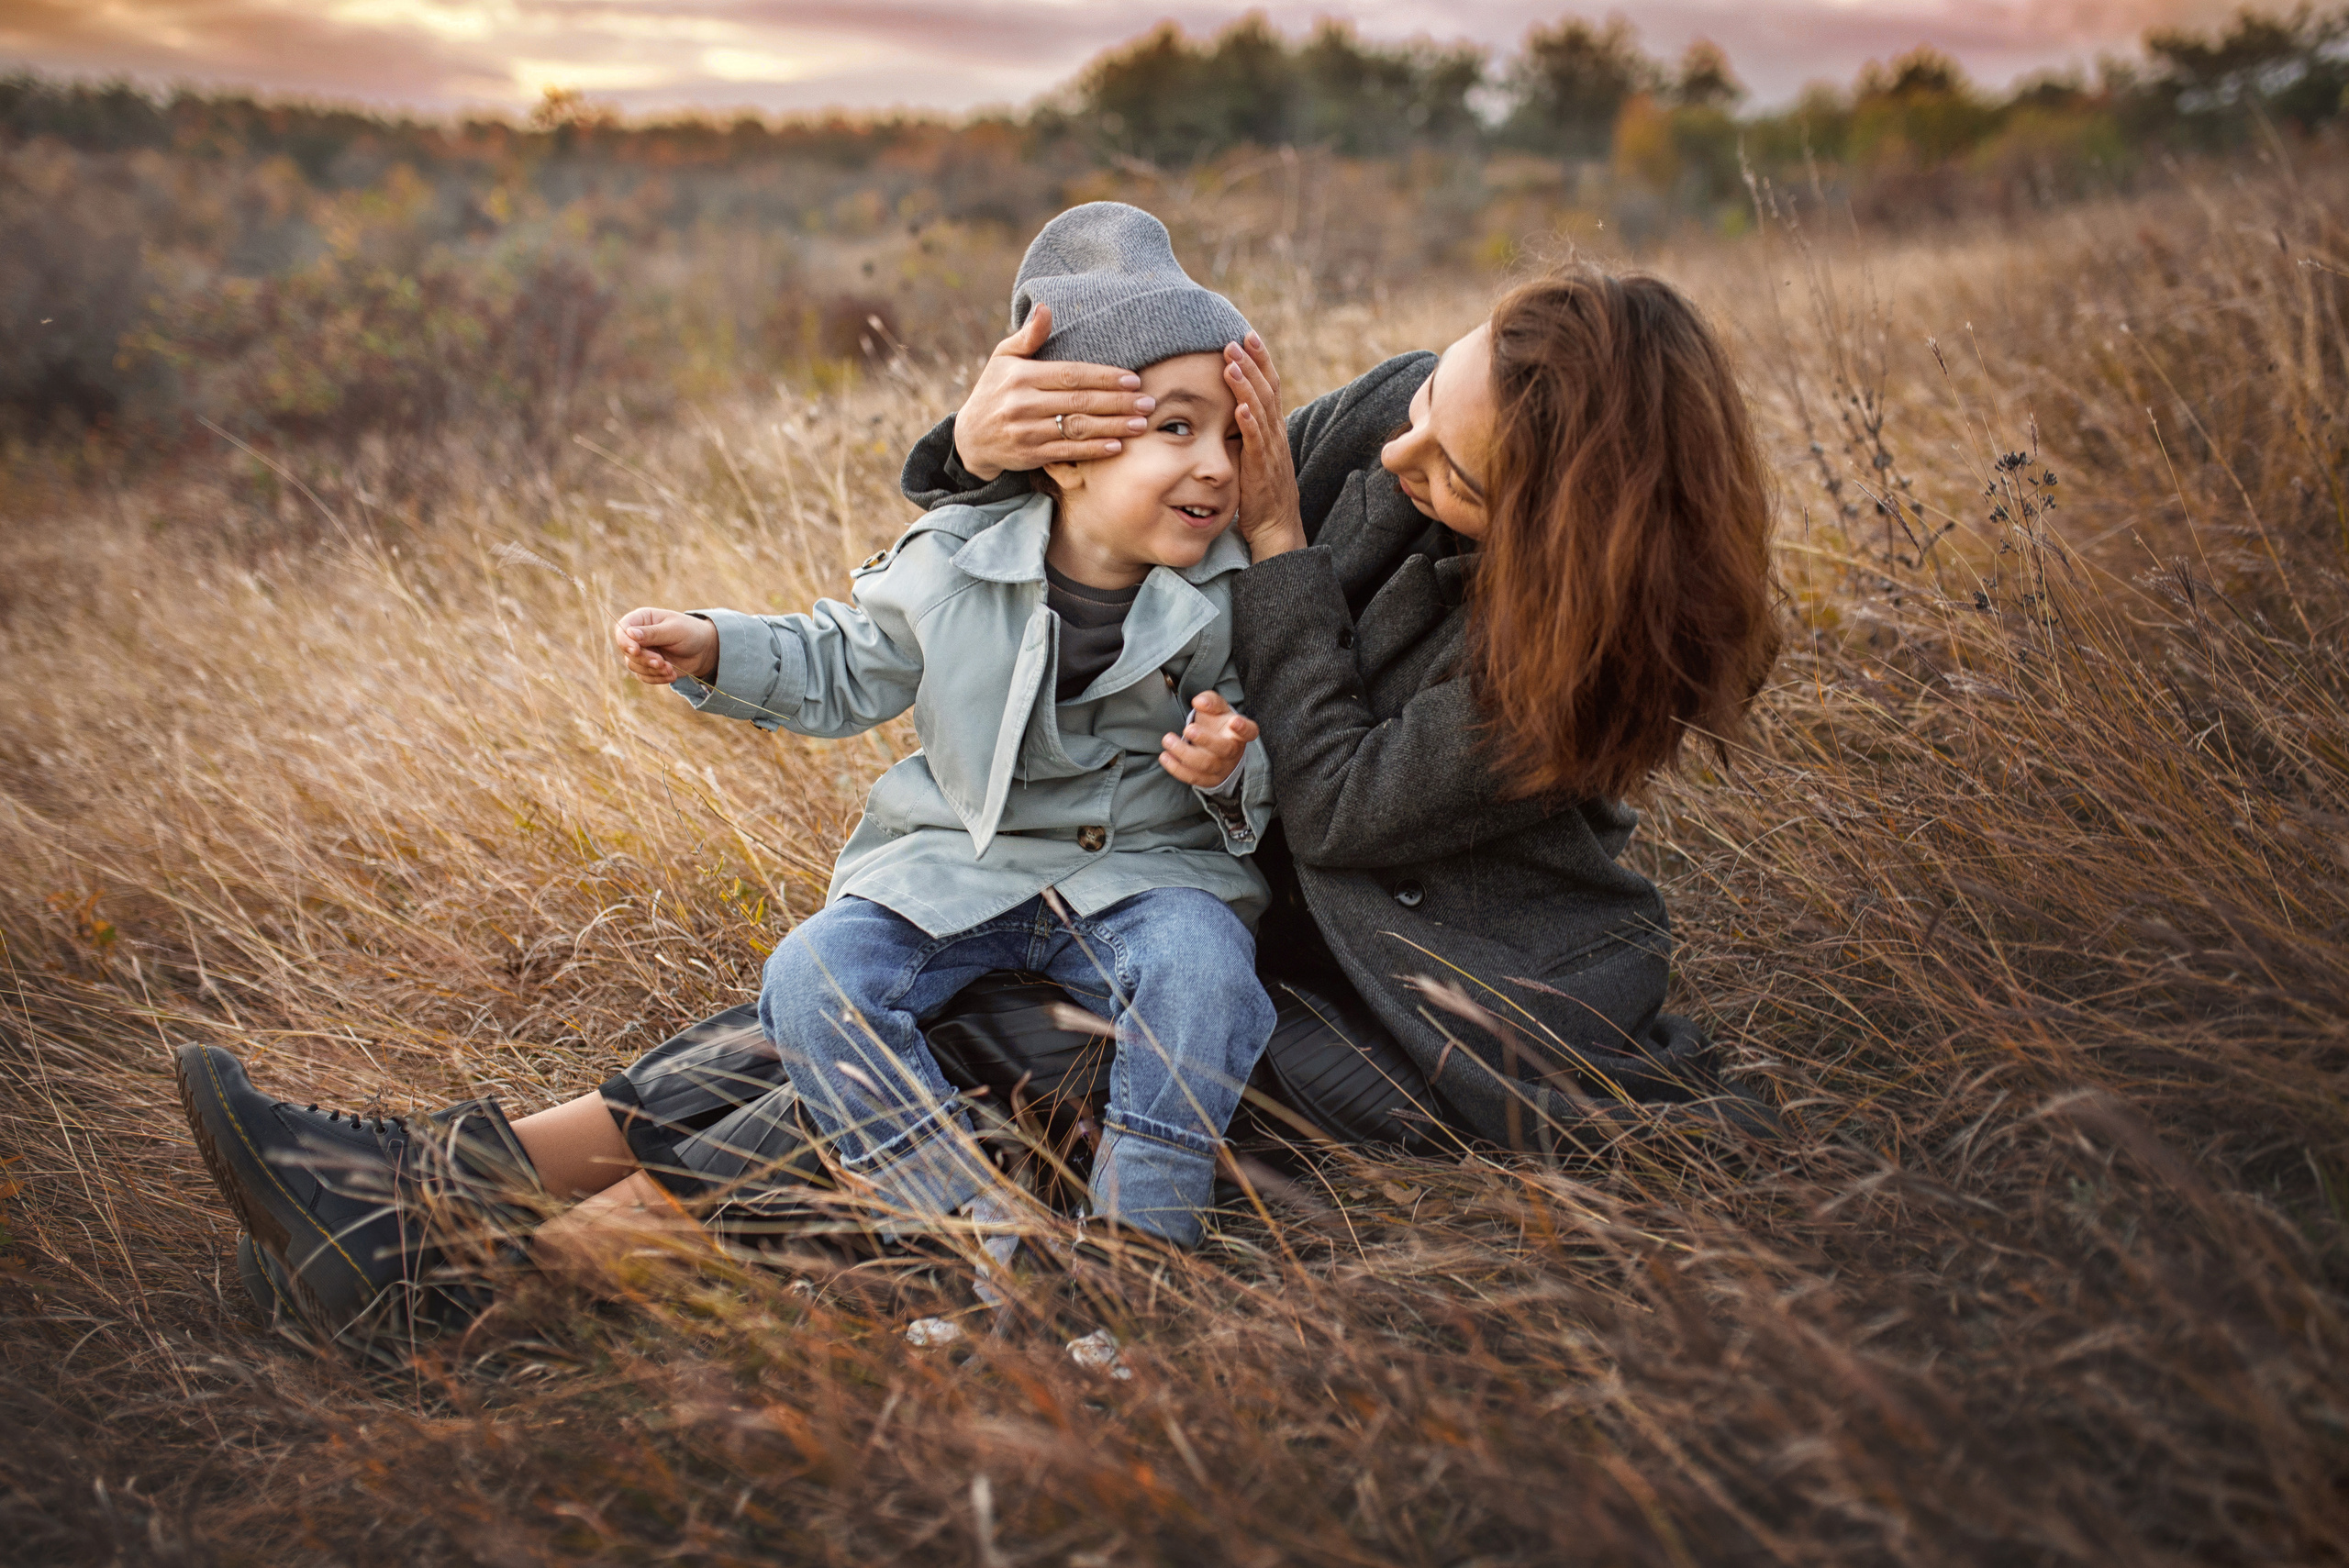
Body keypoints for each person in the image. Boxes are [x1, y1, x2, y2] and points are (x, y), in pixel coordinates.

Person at [174, 203, 1287, 1341]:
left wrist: (1222, 769)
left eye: (1233, 437)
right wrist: (717, 646)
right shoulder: (952, 565)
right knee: (814, 972)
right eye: (1175, 429)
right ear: (1060, 439)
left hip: (1148, 885)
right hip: (967, 875)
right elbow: (845, 660)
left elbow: (1272, 743)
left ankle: (1139, 1255)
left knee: (1203, 970)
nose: (1216, 468)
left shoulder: (1242, 584)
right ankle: (959, 1234)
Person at [901, 258, 1784, 1161]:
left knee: (1033, 1029)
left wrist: (1282, 545)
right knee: (884, 984)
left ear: (1554, 536)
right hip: (1250, 919)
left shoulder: (1578, 667)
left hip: (1430, 997)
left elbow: (1335, 807)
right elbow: (1148, 522)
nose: (1401, 452)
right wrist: (974, 457)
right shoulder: (1385, 415)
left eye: (1459, 477)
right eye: (1432, 397)